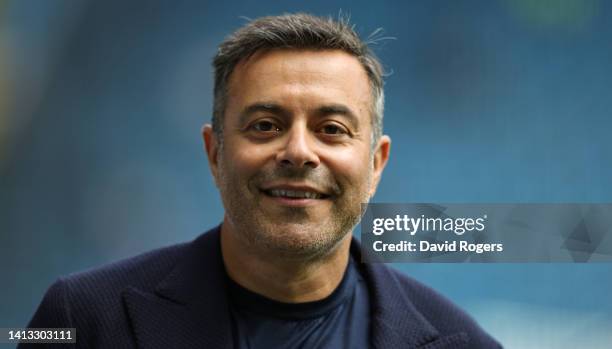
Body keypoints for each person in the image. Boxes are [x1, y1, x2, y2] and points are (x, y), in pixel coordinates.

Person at [23, 13, 501, 348]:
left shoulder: (465, 344)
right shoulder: (80, 320)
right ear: (215, 152)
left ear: (376, 164)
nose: (297, 151)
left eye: (331, 130)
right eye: (265, 126)